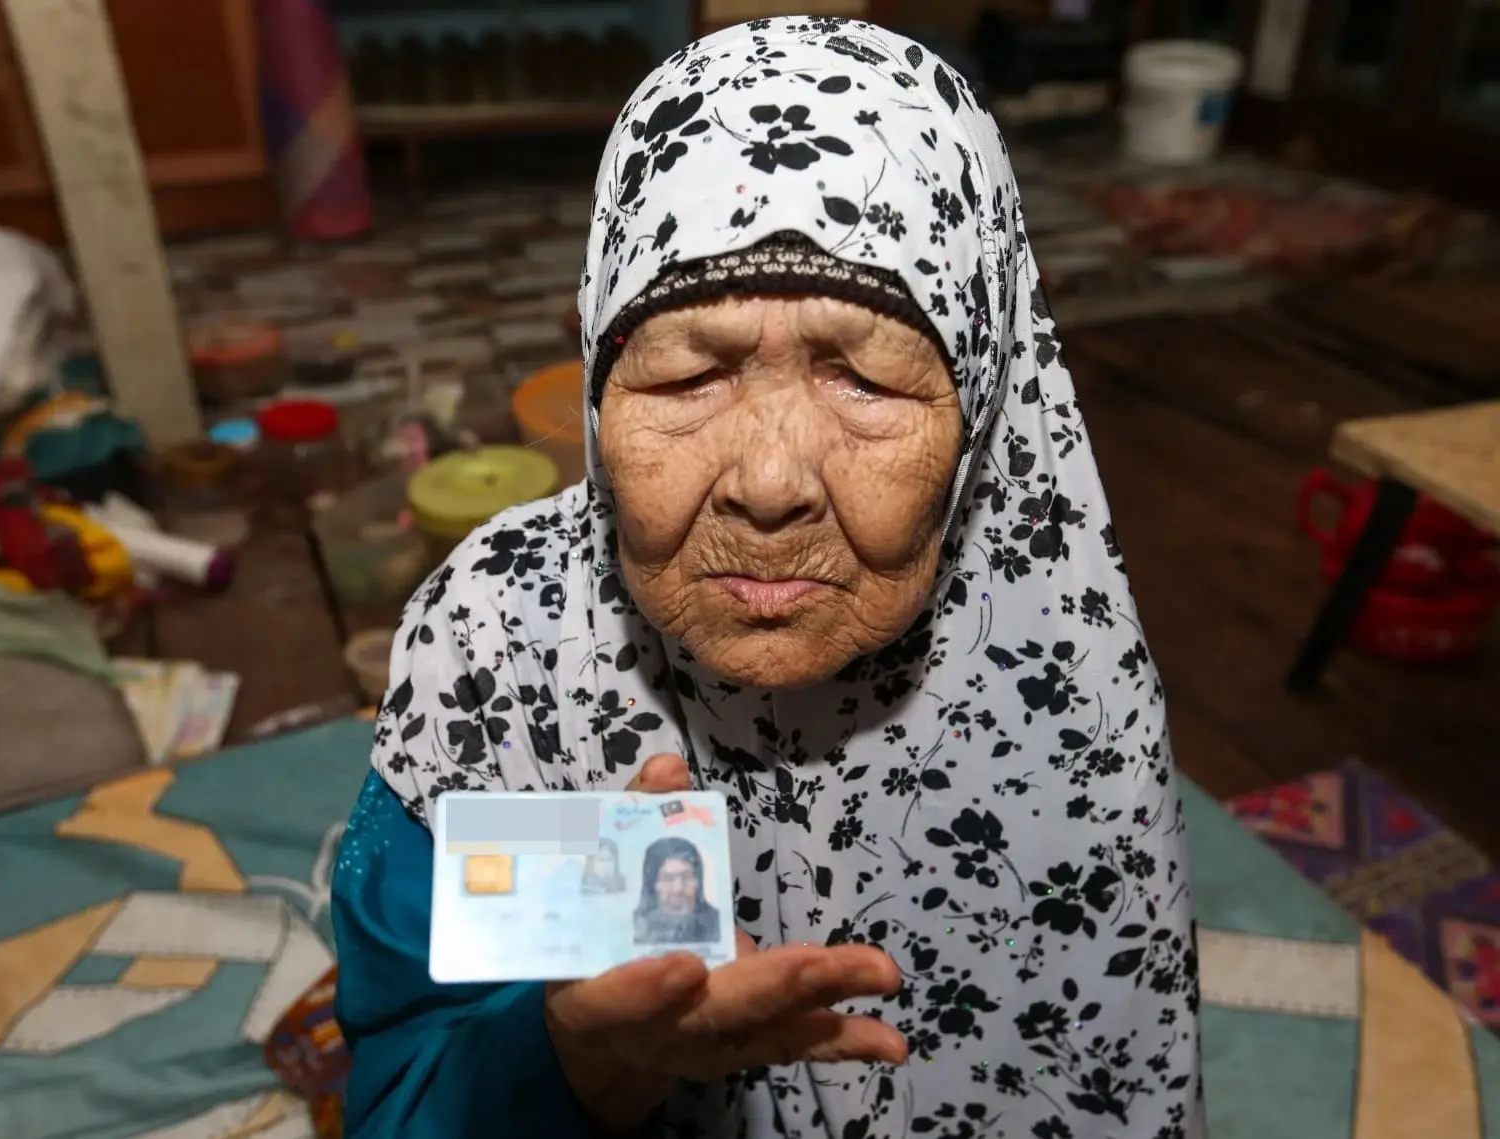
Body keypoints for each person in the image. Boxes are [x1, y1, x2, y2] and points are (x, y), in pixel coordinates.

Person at [332, 16, 1203, 1139]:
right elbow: (403, 1081)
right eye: (689, 374)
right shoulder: (494, 647)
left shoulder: (1063, 661)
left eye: (868, 383)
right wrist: (583, 1058)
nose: (771, 481)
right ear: (594, 374)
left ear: (982, 404)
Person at [632, 837, 722, 945]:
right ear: (652, 884)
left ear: (698, 881)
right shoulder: (633, 927)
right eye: (668, 878)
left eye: (687, 877)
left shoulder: (718, 924)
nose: (678, 889)